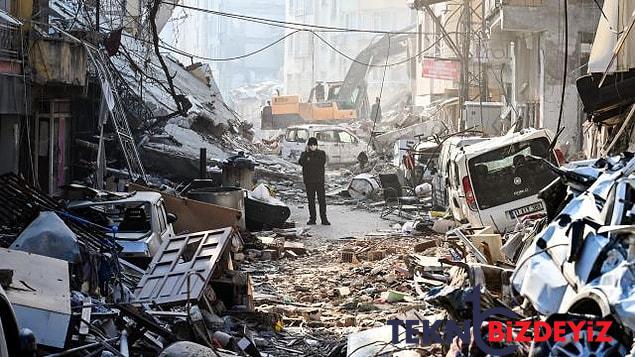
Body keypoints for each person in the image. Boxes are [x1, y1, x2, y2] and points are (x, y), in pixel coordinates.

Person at [298, 137, 330, 225]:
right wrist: (307, 154)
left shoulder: (321, 153)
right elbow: (301, 162)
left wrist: (309, 160)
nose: (312, 146)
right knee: (311, 201)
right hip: (309, 181)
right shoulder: (304, 154)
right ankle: (312, 219)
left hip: (319, 181)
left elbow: (320, 162)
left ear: (316, 145)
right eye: (311, 145)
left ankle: (324, 219)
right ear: (308, 146)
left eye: (314, 145)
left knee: (322, 201)